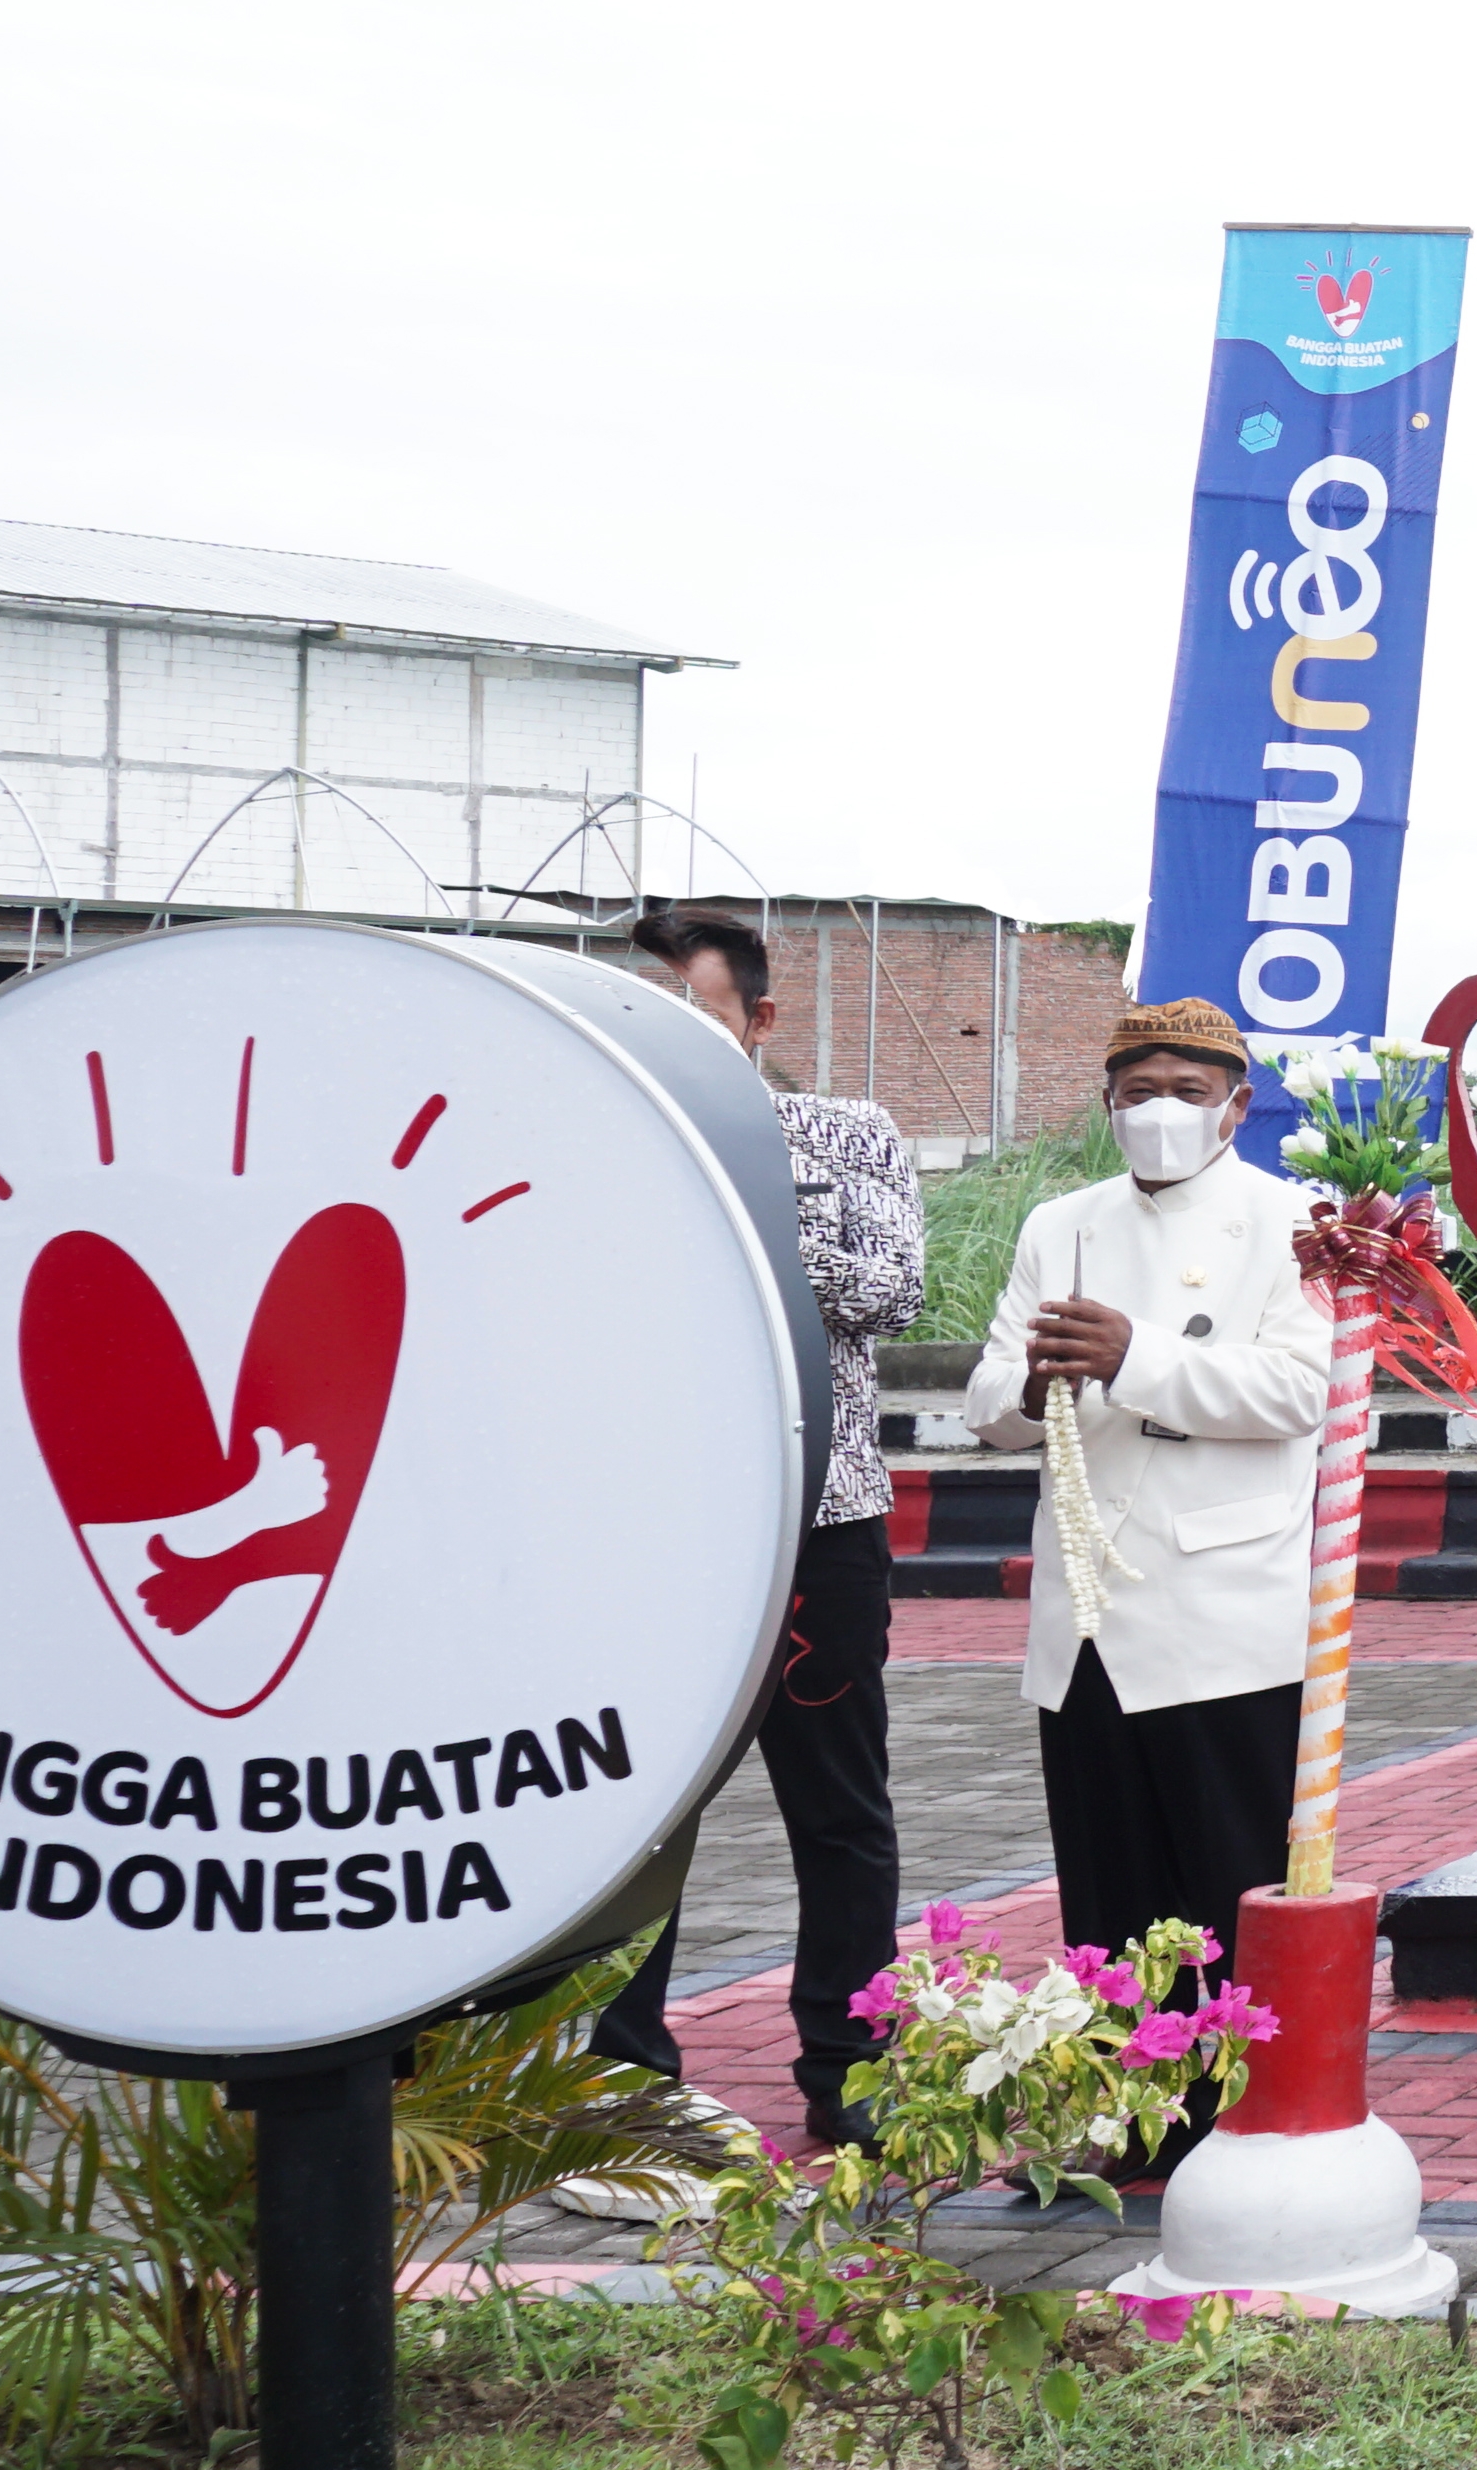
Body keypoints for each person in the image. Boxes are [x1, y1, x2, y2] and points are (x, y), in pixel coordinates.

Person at [957, 997, 1338, 2176]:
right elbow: (984, 1412)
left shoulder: (1299, 1223)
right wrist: (1030, 1383)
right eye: (1136, 1091)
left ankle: (1241, 2122)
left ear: (1238, 1103)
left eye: (1184, 1089)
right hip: (1088, 1611)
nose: (1158, 1113)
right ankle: (1127, 2120)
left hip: (1225, 1606)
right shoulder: (1059, 1223)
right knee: (1108, 1891)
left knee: (1227, 1881)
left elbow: (1299, 1392)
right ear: (1107, 1102)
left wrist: (1139, 1356)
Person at [573, 908, 924, 2176]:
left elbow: (888, 1289)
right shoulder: (591, 1138)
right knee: (637, 1804)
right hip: (655, 1529)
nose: (666, 1046)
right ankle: (620, 2073)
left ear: (761, 1021)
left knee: (839, 1807)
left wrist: (738, 1180)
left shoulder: (845, 1133)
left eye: (697, 1018)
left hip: (821, 1521)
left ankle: (852, 2066)